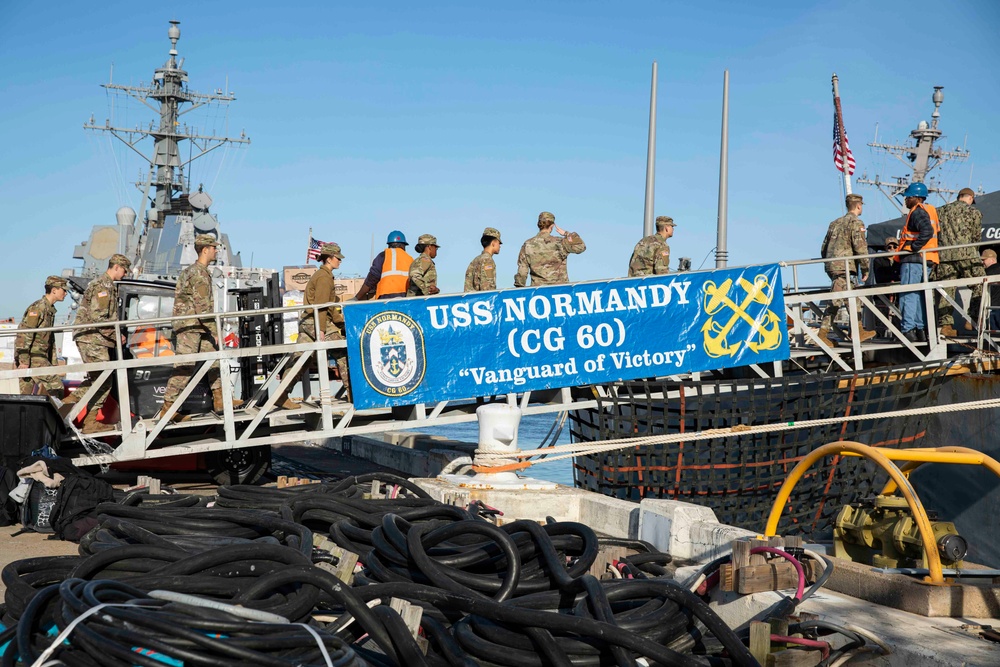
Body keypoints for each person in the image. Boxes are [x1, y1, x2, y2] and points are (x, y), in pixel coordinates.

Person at [157, 234, 242, 421]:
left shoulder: (192, 271)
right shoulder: (199, 273)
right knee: (184, 367)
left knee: (214, 361)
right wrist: (215, 330)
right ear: (205, 250)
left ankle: (221, 400)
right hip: (190, 327)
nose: (216, 251)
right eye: (213, 248)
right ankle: (168, 409)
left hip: (197, 326)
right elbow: (203, 307)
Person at [62, 253, 132, 433]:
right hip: (92, 338)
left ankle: (67, 407)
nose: (124, 274)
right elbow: (99, 317)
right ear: (116, 267)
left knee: (98, 379)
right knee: (103, 379)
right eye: (124, 270)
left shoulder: (106, 285)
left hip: (94, 338)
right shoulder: (103, 286)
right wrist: (116, 336)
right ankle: (85, 419)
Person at [276, 243, 350, 408]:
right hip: (315, 321)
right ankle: (352, 393)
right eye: (338, 258)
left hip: (307, 321)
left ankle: (281, 395)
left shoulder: (322, 275)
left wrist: (340, 322)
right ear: (329, 259)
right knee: (342, 353)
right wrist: (321, 329)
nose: (340, 261)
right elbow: (322, 306)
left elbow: (329, 306)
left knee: (301, 359)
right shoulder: (324, 277)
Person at [817, 194, 876, 347]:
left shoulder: (834, 223)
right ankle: (822, 335)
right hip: (845, 267)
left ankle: (857, 331)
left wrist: (829, 262)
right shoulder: (856, 222)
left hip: (833, 265)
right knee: (835, 301)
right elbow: (860, 247)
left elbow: (824, 247)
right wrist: (865, 268)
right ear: (858, 206)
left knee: (852, 298)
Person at [934, 187, 984, 336]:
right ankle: (972, 319)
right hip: (966, 254)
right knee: (980, 283)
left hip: (944, 257)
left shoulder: (940, 211)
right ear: (970, 198)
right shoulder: (974, 212)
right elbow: (976, 237)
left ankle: (946, 326)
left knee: (946, 289)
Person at [894, 182, 939, 343]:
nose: (906, 201)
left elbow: (927, 231)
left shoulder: (917, 212)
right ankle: (920, 329)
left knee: (908, 294)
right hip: (925, 259)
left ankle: (908, 330)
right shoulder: (929, 211)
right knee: (919, 295)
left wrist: (913, 247)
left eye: (907, 198)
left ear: (915, 198)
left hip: (914, 259)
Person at [15, 276, 68, 396]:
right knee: (56, 387)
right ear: (54, 290)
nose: (66, 293)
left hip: (39, 356)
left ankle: (36, 414)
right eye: (63, 290)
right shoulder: (38, 308)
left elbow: (50, 339)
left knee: (26, 396)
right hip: (33, 356)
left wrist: (53, 363)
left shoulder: (49, 310)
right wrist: (23, 361)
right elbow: (25, 333)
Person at [514, 212, 586, 287]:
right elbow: (581, 247)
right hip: (560, 290)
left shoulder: (527, 244)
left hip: (538, 291)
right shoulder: (560, 242)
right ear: (552, 226)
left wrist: (519, 288)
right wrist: (567, 234)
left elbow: (522, 272)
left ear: (538, 225)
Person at [355, 231, 413, 300]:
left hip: (385, 297)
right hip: (405, 297)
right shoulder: (410, 259)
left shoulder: (383, 255)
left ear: (389, 245)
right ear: (402, 245)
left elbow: (372, 278)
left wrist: (357, 297)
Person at [465, 227, 502, 292]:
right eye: (499, 243)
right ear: (493, 243)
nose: (500, 246)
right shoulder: (487, 260)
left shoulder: (476, 260)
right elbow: (487, 289)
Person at [982, 249, 1000, 332]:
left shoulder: (987, 273)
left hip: (993, 309)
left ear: (992, 259)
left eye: (984, 260)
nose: (982, 262)